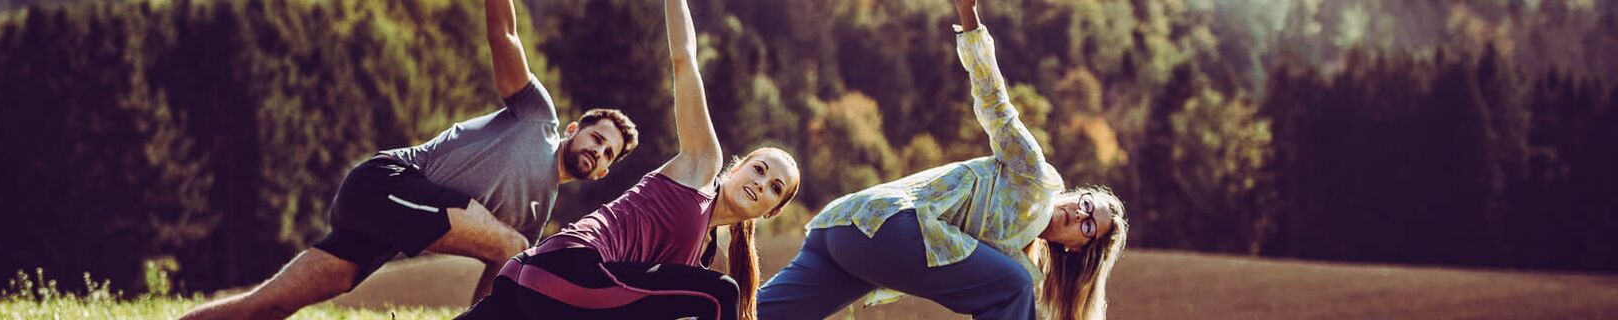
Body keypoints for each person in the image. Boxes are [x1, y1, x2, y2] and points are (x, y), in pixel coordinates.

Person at [177, 0, 641, 317]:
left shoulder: (533, 218)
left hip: (383, 228)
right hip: (385, 182)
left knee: (268, 306)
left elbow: (498, 283)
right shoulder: (539, 119)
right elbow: (504, 35)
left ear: (602, 171)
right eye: (596, 137)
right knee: (515, 250)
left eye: (606, 154)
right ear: (575, 129)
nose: (597, 150)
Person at [754, 1, 1131, 319]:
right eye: (1086, 205)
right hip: (884, 226)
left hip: (845, 233)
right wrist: (969, 14)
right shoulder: (1033, 177)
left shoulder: (1017, 256)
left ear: (1077, 249)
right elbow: (995, 103)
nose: (1078, 215)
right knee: (1014, 288)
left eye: (1087, 227)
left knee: (755, 313)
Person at [453, 0, 799, 318]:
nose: (760, 182)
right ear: (736, 166)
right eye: (759, 169)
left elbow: (634, 299)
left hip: (530, 276)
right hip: (574, 266)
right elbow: (684, 59)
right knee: (721, 292)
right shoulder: (702, 166)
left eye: (774, 187)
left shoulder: (703, 259)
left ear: (772, 210)